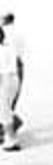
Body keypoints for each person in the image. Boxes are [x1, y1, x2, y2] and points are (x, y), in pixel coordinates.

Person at [0, 13, 25, 149]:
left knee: (4, 110)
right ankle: (9, 134)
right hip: (15, 77)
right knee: (6, 109)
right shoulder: (7, 47)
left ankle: (11, 139)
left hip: (6, 79)